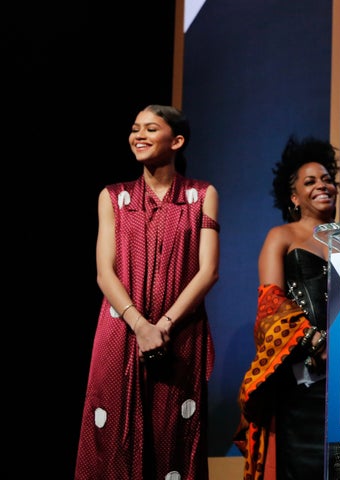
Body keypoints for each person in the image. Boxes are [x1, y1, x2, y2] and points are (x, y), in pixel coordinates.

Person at [75, 104, 220, 480]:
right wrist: (140, 325)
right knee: (112, 437)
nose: (138, 135)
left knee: (173, 435)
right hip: (121, 330)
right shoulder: (113, 197)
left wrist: (164, 325)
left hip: (180, 334)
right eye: (135, 128)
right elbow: (104, 273)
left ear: (177, 141)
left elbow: (208, 272)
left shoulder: (201, 195)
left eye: (151, 129)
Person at [233, 135, 340, 480]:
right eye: (310, 182)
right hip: (302, 386)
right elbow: (270, 304)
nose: (323, 185)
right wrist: (314, 343)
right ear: (294, 196)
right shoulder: (282, 236)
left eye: (327, 179)